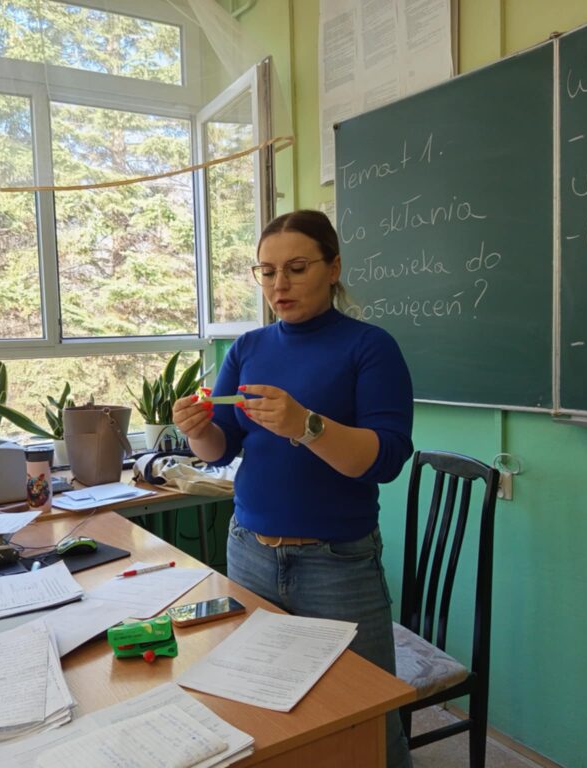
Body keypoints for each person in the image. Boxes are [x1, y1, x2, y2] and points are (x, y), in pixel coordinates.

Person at [172, 209, 414, 768]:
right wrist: (198, 430)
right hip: (249, 553)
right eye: (267, 271)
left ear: (333, 268)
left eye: (297, 268)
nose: (279, 284)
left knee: (367, 720)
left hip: (338, 564)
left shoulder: (369, 347)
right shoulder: (248, 348)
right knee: (261, 711)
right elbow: (220, 449)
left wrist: (307, 425)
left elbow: (385, 459)